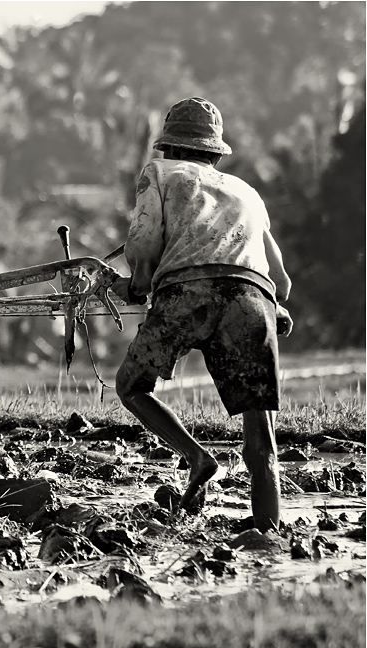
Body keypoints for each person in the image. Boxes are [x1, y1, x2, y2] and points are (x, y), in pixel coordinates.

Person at [113, 97, 293, 533]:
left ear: (170, 148)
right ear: (214, 154)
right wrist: (270, 307)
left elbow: (142, 243)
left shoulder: (158, 174)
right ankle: (268, 534)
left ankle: (196, 456)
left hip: (186, 294)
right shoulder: (246, 192)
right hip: (252, 299)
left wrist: (136, 284)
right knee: (260, 436)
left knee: (132, 386)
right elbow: (281, 281)